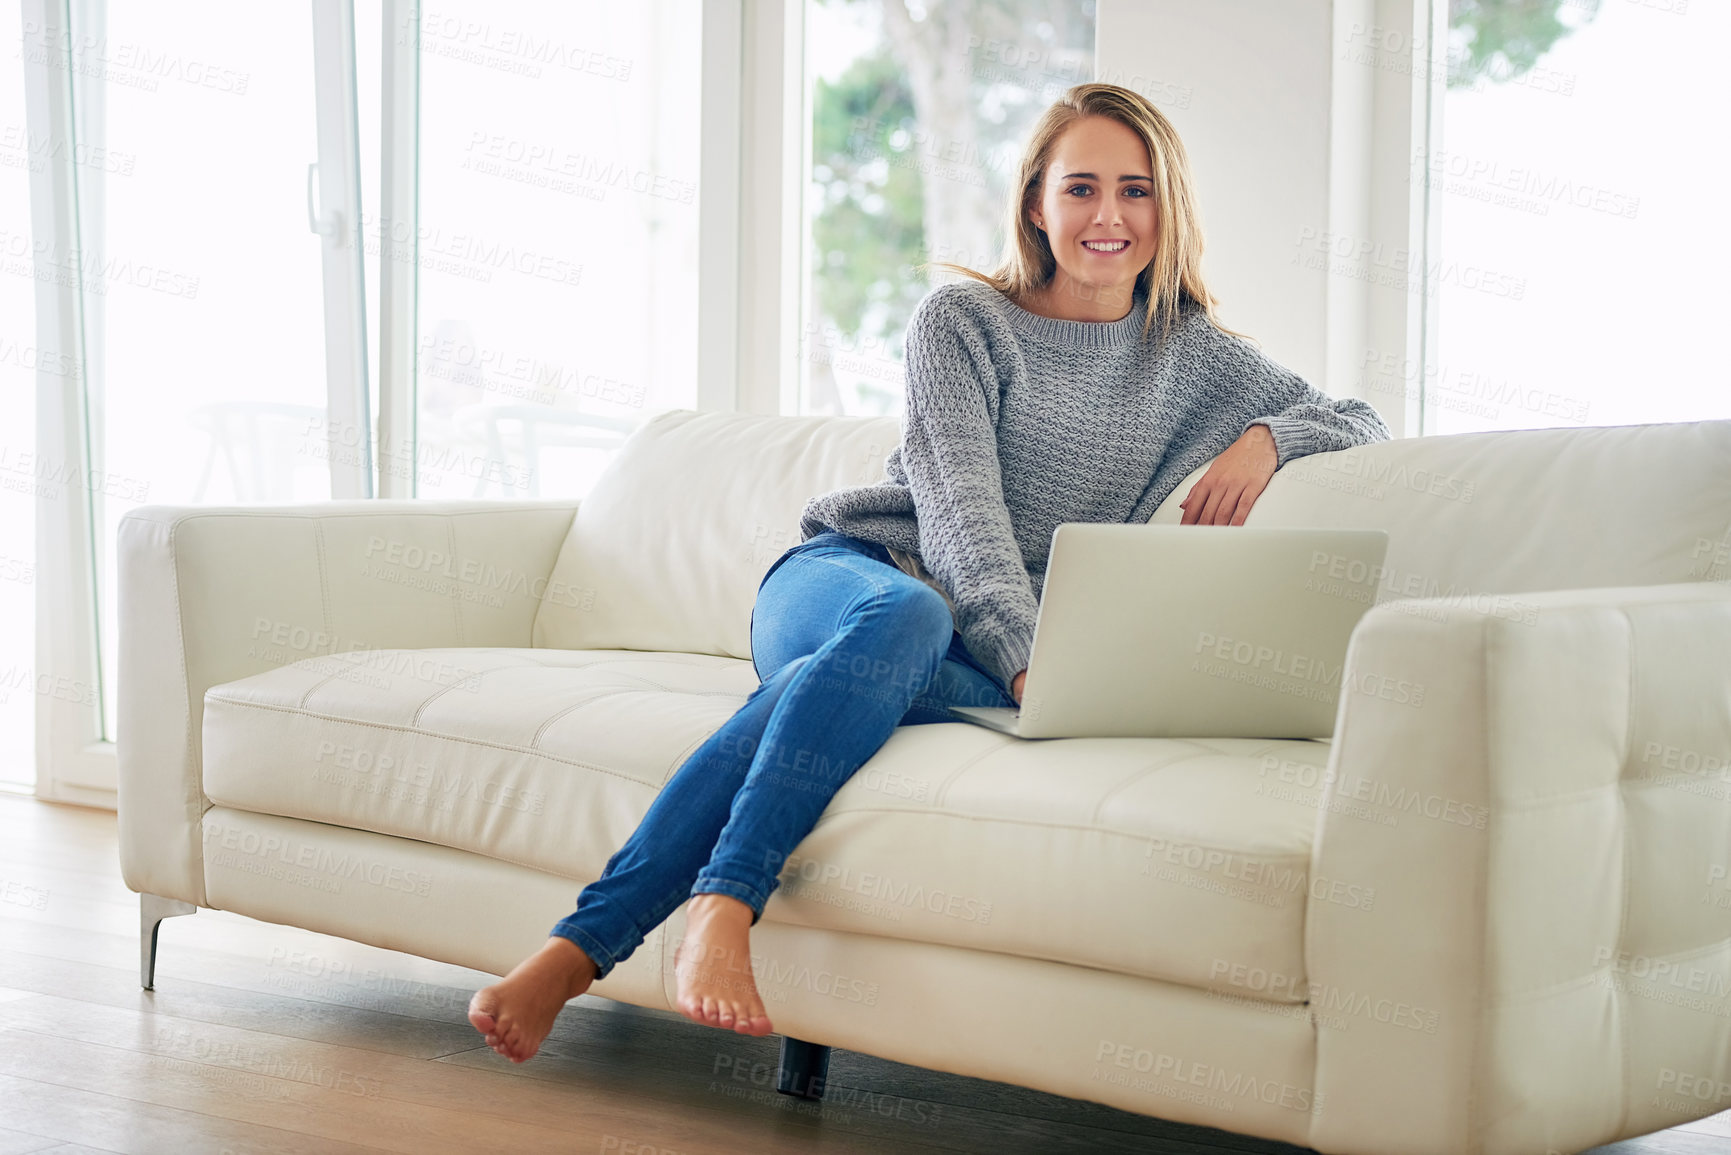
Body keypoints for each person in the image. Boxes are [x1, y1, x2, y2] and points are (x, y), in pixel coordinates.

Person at [466, 81, 1391, 1064]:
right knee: (901, 616)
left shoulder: (1193, 359)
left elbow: (1363, 419)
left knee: (827, 688)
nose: (1109, 216)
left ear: (1170, 209)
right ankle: (724, 904)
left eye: (1136, 190)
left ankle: (574, 952)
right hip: (850, 579)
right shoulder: (964, 323)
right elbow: (958, 516)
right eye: (1081, 188)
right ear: (1036, 202)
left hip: (966, 653)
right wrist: (1029, 658)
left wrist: (1265, 437)